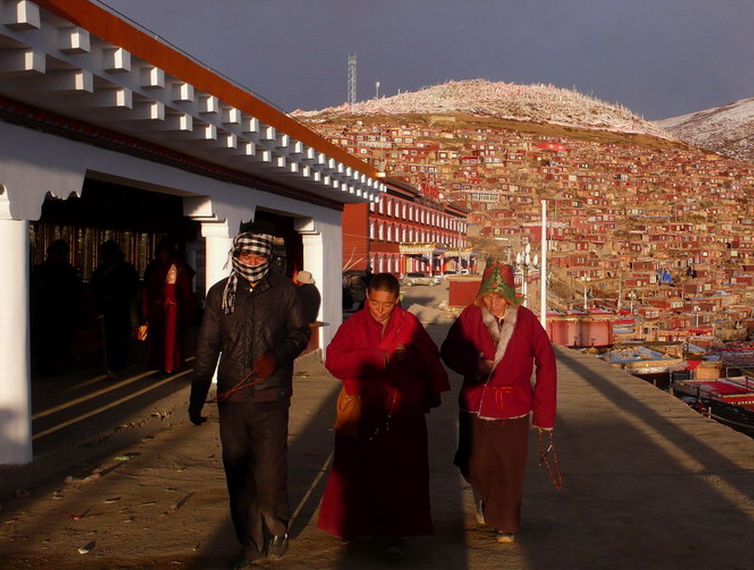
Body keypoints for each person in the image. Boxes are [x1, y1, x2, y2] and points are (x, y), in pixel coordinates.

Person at [189, 221, 310, 569]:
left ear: (268, 256)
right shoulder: (219, 294)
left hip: (271, 397)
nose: (251, 260)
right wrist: (198, 395)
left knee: (271, 472)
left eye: (258, 254)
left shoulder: (286, 291)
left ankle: (277, 527)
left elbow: (299, 333)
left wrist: (277, 356)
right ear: (236, 254)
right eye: (245, 253)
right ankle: (250, 543)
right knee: (238, 473)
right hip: (232, 397)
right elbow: (207, 347)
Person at [317, 272, 450, 555]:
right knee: (357, 472)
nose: (379, 311)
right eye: (375, 303)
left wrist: (409, 356)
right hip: (363, 411)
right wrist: (379, 358)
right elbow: (334, 361)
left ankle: (395, 533)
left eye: (387, 305)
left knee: (399, 476)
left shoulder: (409, 324)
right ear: (367, 298)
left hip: (402, 413)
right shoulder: (354, 325)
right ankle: (352, 525)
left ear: (397, 301)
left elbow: (430, 359)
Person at [440, 262, 557, 544]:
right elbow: (449, 351)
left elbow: (546, 362)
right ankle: (486, 497)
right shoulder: (470, 317)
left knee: (509, 468)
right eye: (488, 297)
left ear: (510, 297)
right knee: (474, 463)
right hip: (476, 402)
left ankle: (506, 523)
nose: (493, 303)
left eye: (499, 297)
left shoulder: (527, 321)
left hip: (514, 404)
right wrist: (475, 364)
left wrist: (544, 414)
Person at [30, 239, 84, 376]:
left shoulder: (42, 270)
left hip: (47, 310)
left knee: (47, 341)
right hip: (61, 311)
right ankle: (54, 365)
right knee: (57, 340)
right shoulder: (68, 271)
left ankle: (46, 366)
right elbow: (76, 293)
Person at [141, 237, 195, 374]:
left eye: (164, 251)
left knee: (170, 336)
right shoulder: (155, 267)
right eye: (159, 252)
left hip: (172, 307)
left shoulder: (176, 265)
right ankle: (158, 363)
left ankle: (170, 365)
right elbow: (148, 286)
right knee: (157, 336)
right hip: (157, 307)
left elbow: (183, 289)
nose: (161, 254)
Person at [90, 240, 139, 374]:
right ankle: (110, 363)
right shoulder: (102, 269)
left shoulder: (124, 269)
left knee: (119, 337)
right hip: (108, 306)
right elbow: (95, 286)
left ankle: (117, 363)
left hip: (120, 307)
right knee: (108, 337)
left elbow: (132, 287)